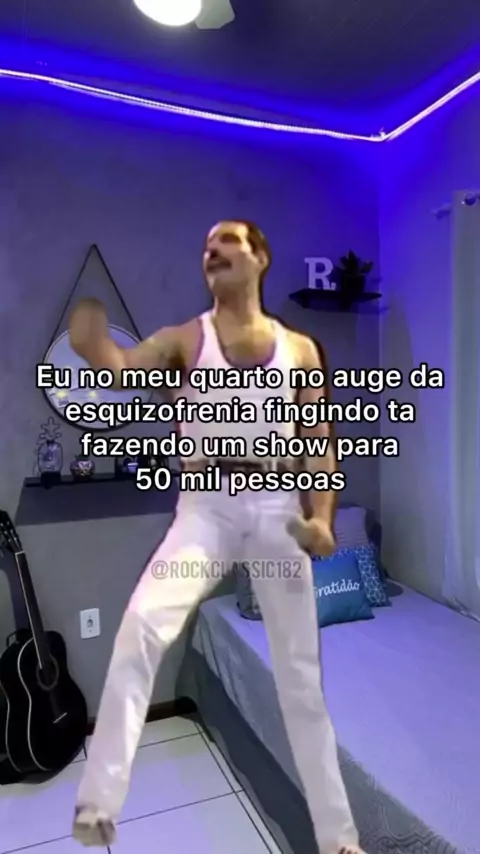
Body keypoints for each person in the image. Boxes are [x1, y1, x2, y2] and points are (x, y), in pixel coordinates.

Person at [70, 220, 364, 853]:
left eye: (226, 242)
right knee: (141, 625)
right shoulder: (185, 339)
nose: (212, 251)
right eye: (206, 247)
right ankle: (98, 801)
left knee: (300, 680)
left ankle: (339, 839)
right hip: (205, 511)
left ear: (260, 258)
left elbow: (320, 444)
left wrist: (322, 518)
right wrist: (97, 350)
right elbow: (125, 366)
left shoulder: (300, 351)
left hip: (276, 506)